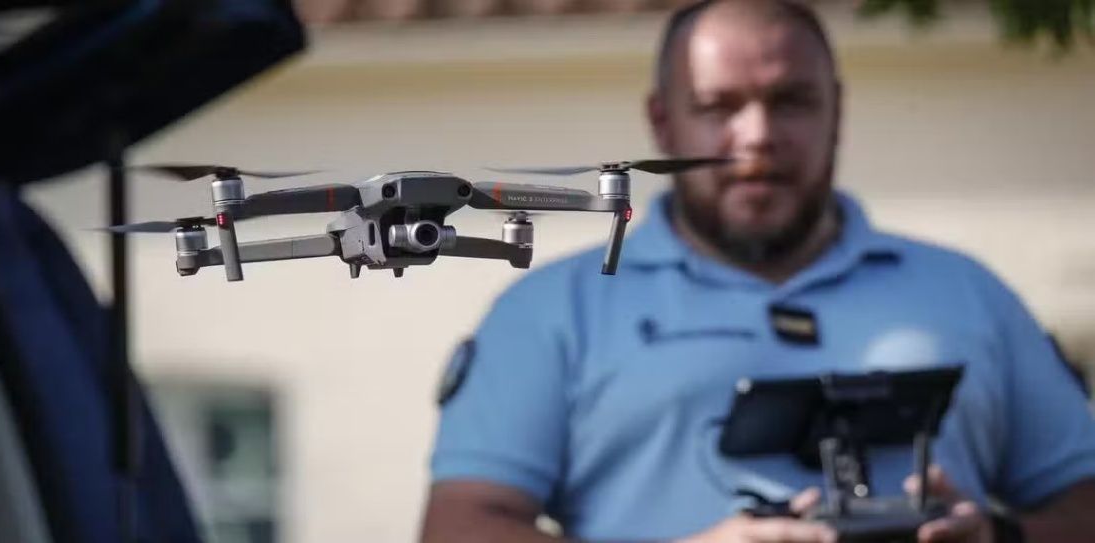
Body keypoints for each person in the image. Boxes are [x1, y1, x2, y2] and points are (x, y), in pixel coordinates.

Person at [418, 1, 1095, 542]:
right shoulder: (552, 310)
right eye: (718, 107)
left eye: (791, 100)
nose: (758, 135)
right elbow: (458, 526)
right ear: (663, 122)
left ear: (837, 110)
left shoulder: (967, 293)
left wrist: (998, 535)